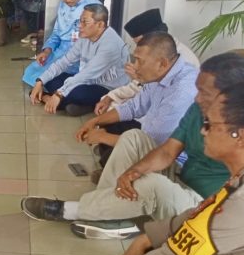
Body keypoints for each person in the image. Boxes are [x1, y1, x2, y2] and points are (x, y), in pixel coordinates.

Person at [71, 85, 244, 255]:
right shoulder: (238, 179)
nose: (202, 131)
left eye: (209, 124)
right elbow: (201, 216)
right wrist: (147, 237)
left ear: (239, 136)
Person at [21, 52, 241, 240]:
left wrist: (106, 139)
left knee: (152, 184)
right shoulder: (198, 109)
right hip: (182, 178)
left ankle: (68, 210)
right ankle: (108, 213)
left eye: (205, 93)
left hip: (203, 207)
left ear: (232, 96)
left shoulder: (235, 130)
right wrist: (133, 171)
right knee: (133, 137)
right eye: (198, 90)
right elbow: (167, 151)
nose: (197, 97)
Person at [76, 32, 198, 170]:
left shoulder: (182, 91)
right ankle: (111, 163)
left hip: (171, 159)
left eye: (140, 61)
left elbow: (155, 144)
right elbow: (134, 107)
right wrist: (95, 121)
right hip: (150, 136)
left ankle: (114, 167)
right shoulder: (161, 73)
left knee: (116, 154)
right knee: (111, 125)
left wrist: (103, 137)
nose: (135, 66)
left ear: (162, 63)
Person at [95, 8, 201, 114]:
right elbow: (137, 85)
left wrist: (141, 81)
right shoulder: (156, 52)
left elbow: (158, 94)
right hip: (150, 99)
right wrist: (110, 97)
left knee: (116, 110)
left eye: (139, 43)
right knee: (111, 104)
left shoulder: (181, 60)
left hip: (171, 111)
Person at [29, 4, 129, 115]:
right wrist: (40, 81)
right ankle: (74, 105)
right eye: (80, 21)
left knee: (77, 93)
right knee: (52, 81)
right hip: (87, 80)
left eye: (85, 22)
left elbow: (87, 74)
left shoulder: (110, 45)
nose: (80, 26)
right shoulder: (85, 37)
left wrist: (58, 94)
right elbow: (65, 61)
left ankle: (53, 100)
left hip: (106, 86)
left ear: (100, 24)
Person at [21, 0, 101, 87]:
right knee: (30, 72)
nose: (67, 0)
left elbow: (95, 42)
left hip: (80, 56)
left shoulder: (94, 7)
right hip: (60, 52)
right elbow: (56, 33)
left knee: (50, 79)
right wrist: (47, 51)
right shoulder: (63, 5)